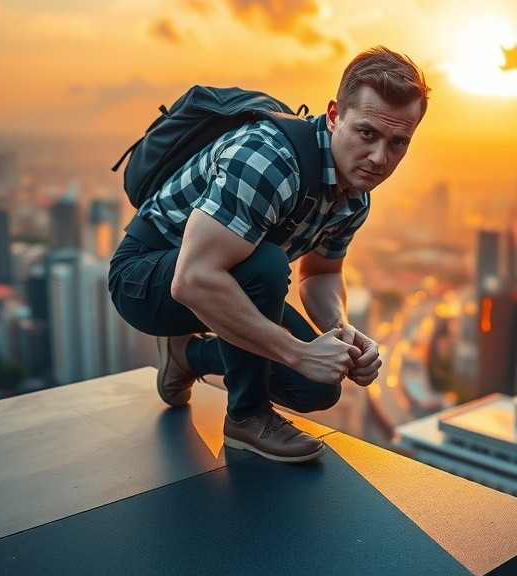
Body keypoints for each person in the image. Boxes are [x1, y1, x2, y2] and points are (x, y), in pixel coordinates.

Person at [108, 46, 429, 464]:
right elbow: (193, 279)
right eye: (367, 133)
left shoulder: (354, 194)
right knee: (265, 265)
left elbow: (321, 274)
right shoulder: (269, 161)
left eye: (398, 142)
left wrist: (341, 331)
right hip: (145, 278)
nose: (379, 158)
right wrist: (298, 352)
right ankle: (247, 418)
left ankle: (186, 355)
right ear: (334, 116)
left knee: (316, 388)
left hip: (214, 278)